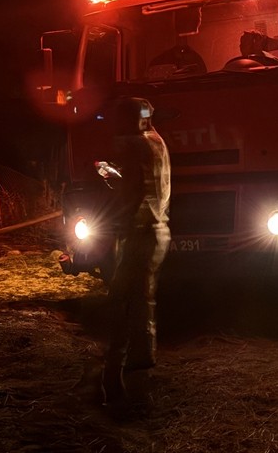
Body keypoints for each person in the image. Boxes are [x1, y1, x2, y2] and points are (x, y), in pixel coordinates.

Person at [101, 96, 171, 410]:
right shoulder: (157, 141)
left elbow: (138, 189)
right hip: (159, 230)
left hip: (141, 232)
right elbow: (146, 183)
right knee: (144, 296)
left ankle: (113, 370)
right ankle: (143, 358)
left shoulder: (137, 145)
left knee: (119, 298)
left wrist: (121, 224)